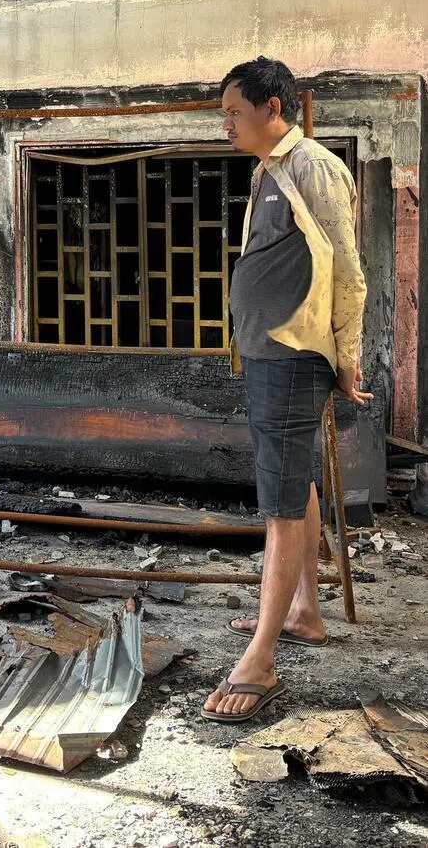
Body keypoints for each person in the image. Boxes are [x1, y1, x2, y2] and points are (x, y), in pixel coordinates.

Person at [202, 57, 370, 724]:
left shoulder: (314, 167)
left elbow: (348, 268)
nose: (227, 125)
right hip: (273, 351)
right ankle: (304, 612)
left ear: (274, 107)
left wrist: (348, 356)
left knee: (277, 502)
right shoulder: (268, 170)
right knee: (293, 483)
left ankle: (261, 661)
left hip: (298, 354)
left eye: (235, 113)